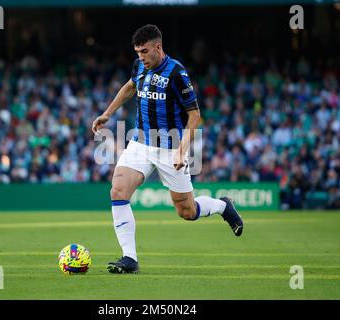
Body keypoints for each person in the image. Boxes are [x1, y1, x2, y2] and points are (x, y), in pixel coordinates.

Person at [91, 24, 243, 274]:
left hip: (171, 148)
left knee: (187, 210)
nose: (140, 57)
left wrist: (182, 150)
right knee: (118, 191)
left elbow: (195, 116)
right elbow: (130, 86)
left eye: (144, 51)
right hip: (139, 143)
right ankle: (129, 258)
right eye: (137, 52)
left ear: (158, 47)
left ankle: (223, 206)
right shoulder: (139, 65)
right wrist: (108, 113)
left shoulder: (177, 72)